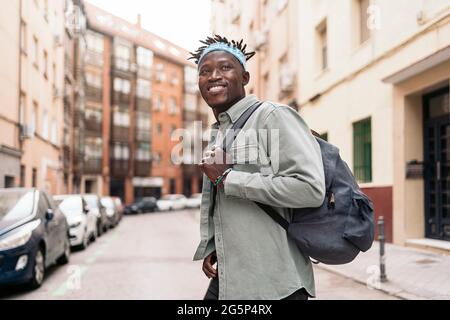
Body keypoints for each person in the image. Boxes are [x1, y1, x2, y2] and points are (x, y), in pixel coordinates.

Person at [189, 35, 325, 300]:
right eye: (205, 71)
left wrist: (229, 178)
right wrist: (214, 244)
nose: (214, 76)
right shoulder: (219, 133)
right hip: (230, 277)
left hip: (275, 284)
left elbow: (309, 189)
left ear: (245, 78)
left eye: (225, 67)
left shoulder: (272, 116)